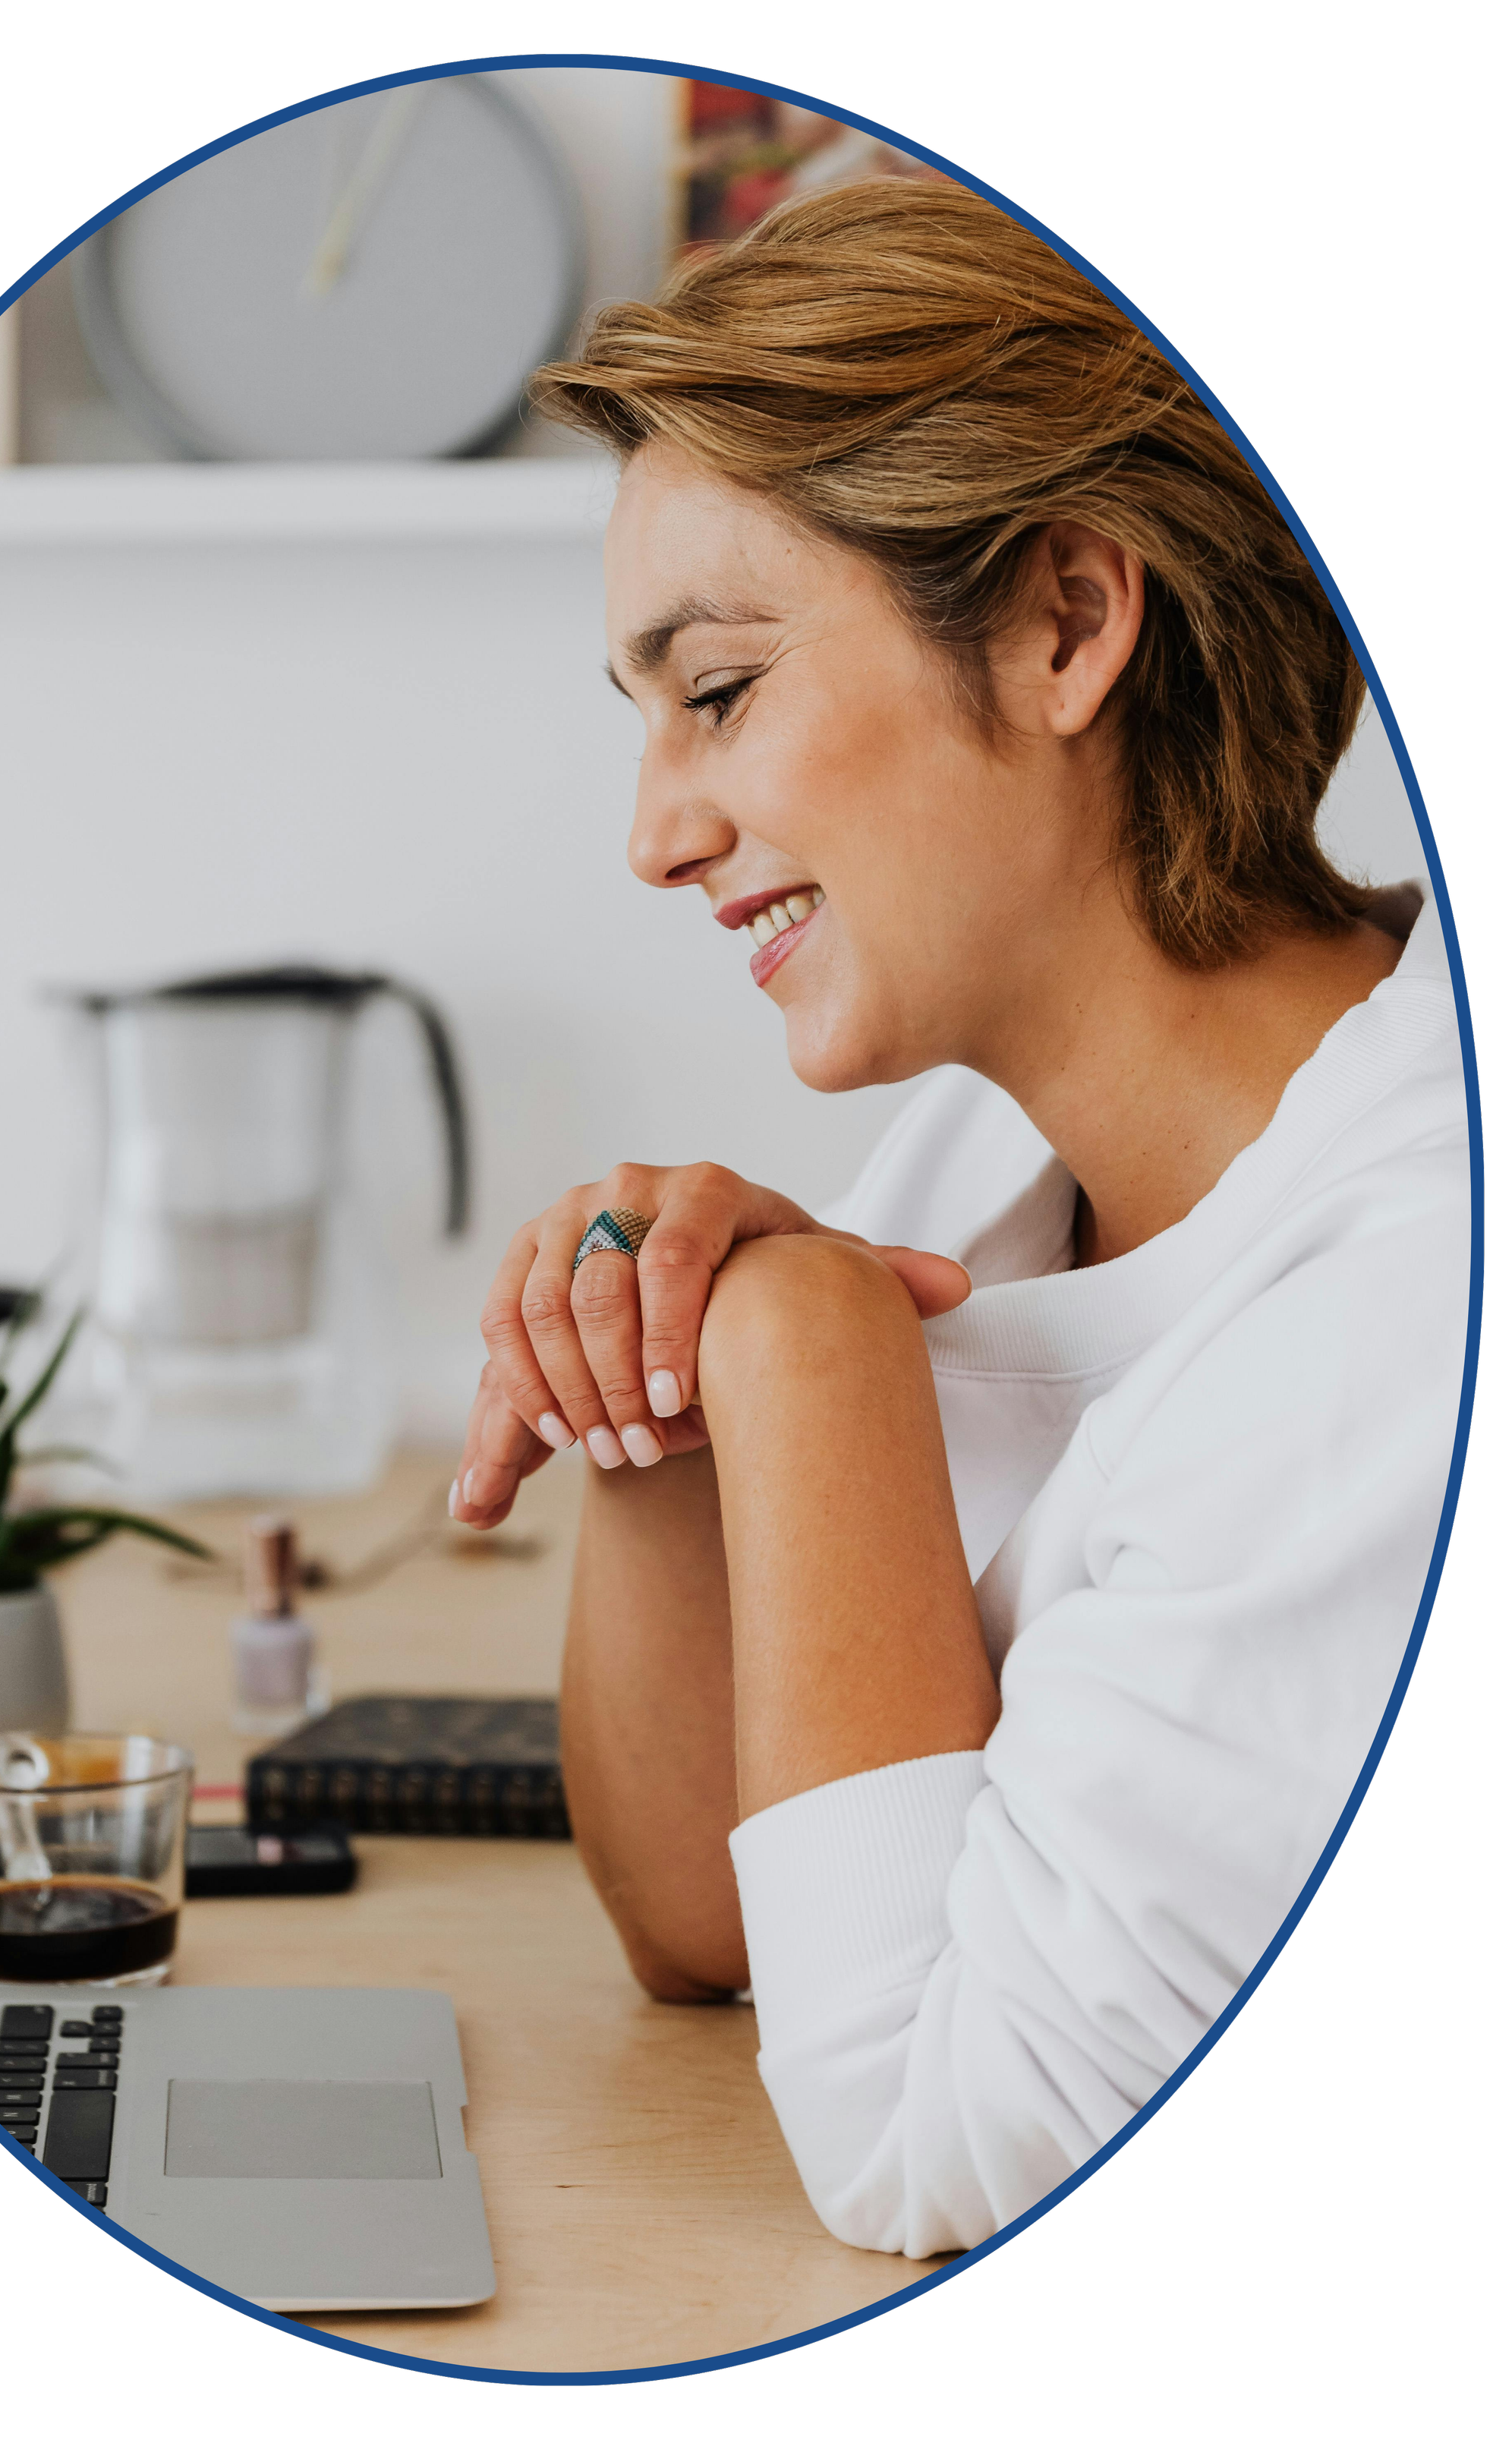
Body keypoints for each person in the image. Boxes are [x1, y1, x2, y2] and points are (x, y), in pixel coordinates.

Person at [447, 180, 1469, 2258]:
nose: (651, 834)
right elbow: (714, 1921)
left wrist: (806, 1340)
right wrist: (666, 1385)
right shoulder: (973, 1158)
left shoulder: (1401, 1299)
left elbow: (951, 2145)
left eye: (714, 690)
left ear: (1061, 624)